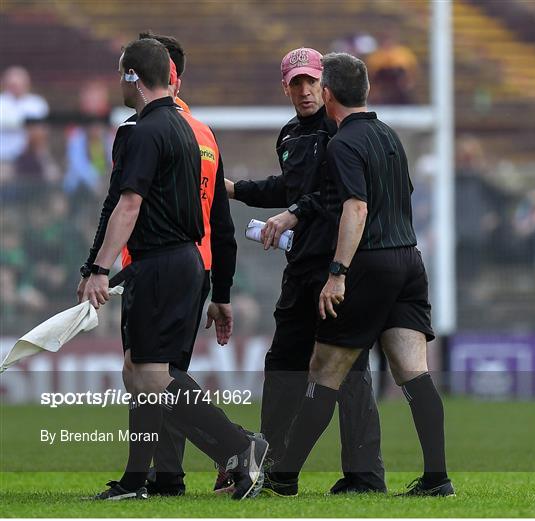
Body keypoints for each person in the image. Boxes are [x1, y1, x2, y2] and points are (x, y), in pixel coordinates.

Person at [78, 38, 267, 501]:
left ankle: (241, 447)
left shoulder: (141, 131)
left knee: (153, 374)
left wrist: (98, 267)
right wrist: (219, 287)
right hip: (188, 263)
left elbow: (126, 203)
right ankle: (139, 479)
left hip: (161, 262)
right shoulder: (194, 132)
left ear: (131, 77)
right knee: (137, 372)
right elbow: (218, 220)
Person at [264, 52, 454, 497]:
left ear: (327, 93)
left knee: (325, 370)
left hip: (371, 264)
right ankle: (437, 478)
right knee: (414, 372)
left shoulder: (343, 143)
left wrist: (338, 272)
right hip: (409, 260)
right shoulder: (389, 136)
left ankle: (283, 475)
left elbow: (356, 206)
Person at [226, 47, 385, 495]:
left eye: (310, 81)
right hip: (301, 268)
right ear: (286, 86)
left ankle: (364, 475)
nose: (303, 90)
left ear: (325, 84)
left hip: (339, 266)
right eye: (295, 83)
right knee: (282, 365)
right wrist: (237, 190)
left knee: (350, 370)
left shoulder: (343, 131)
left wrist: (292, 212)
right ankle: (270, 469)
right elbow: (291, 188)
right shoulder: (290, 136)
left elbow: (336, 196)